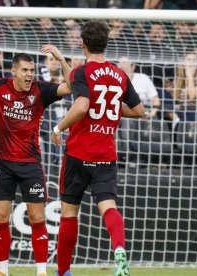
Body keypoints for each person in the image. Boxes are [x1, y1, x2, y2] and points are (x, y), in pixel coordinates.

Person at [50, 21, 144, 276]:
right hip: (106, 155)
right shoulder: (119, 75)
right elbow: (139, 110)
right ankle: (120, 251)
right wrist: (111, 110)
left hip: (79, 153)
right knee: (109, 208)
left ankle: (63, 272)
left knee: (69, 213)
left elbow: (81, 104)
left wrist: (58, 129)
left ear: (82, 44)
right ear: (106, 44)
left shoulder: (84, 71)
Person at [0, 49, 71, 276]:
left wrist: (61, 58)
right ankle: (2, 271)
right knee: (0, 217)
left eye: (32, 71)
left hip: (30, 163)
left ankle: (41, 272)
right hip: (2, 163)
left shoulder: (41, 90)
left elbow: (70, 86)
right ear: (12, 71)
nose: (28, 75)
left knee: (37, 217)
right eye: (24, 70)